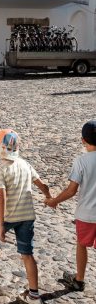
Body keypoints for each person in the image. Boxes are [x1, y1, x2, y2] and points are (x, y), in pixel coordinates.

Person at [0, 129, 51, 304]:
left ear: (0, 147)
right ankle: (34, 295)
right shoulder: (25, 164)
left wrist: (1, 224)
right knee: (27, 254)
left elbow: (1, 197)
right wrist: (49, 197)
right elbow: (43, 185)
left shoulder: (1, 168)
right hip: (27, 216)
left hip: (9, 215)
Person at [45, 120, 96, 292]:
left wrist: (54, 201)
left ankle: (79, 280)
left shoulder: (81, 161)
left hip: (86, 214)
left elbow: (71, 190)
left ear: (83, 140)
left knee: (81, 244)